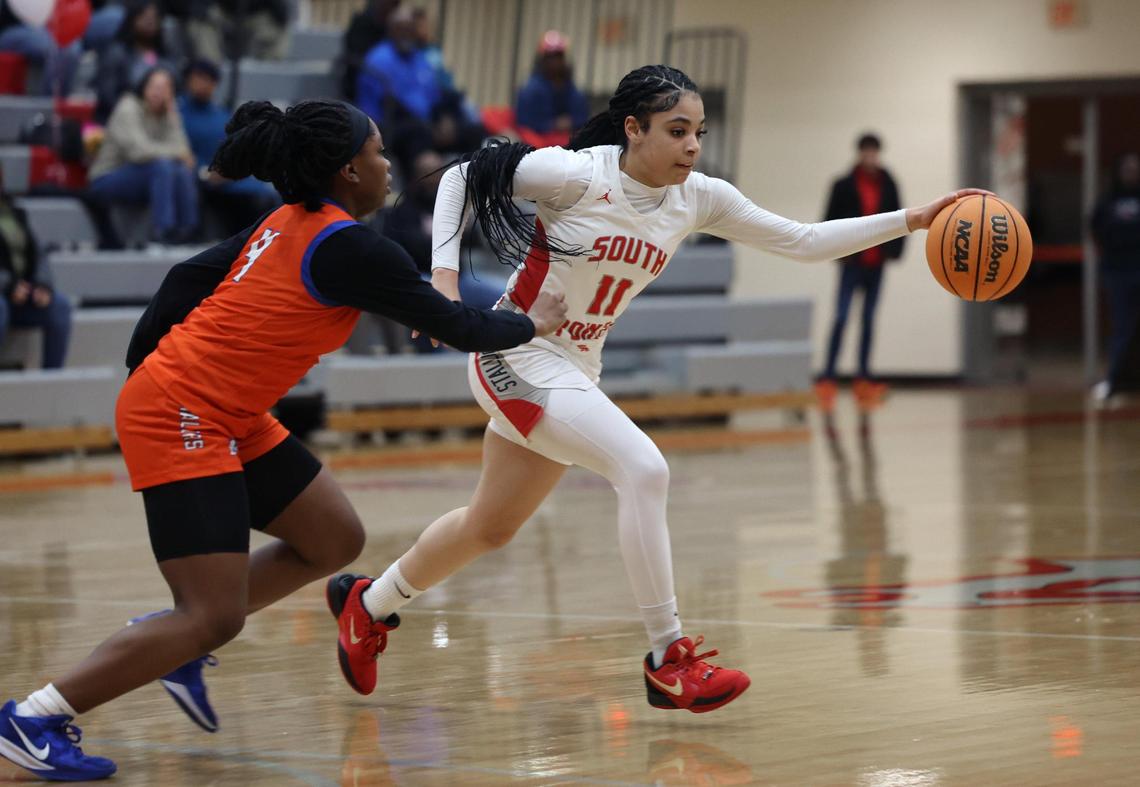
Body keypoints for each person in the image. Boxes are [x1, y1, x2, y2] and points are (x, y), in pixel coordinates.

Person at [324, 65, 987, 713]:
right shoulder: (578, 175)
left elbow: (805, 241)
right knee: (644, 468)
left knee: (489, 526)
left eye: (698, 131)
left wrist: (915, 218)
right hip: (516, 350)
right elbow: (463, 177)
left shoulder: (700, 197)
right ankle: (669, 659)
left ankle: (369, 604)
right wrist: (442, 281)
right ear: (633, 129)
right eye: (677, 130)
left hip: (576, 366)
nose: (693, 146)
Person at [0, 98, 566, 781]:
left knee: (332, 539)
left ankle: (175, 637)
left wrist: (146, 367)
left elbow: (184, 279)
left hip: (222, 411)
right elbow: (460, 327)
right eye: (378, 151)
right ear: (346, 169)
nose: (386, 163)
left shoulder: (288, 222)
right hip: (185, 412)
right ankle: (33, 717)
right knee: (214, 616)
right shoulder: (351, 247)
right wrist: (532, 323)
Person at [815, 133, 905, 411]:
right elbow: (829, 219)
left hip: (876, 264)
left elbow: (899, 217)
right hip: (851, 263)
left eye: (874, 152)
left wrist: (895, 252)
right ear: (859, 154)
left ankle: (863, 379)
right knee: (842, 317)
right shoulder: (843, 185)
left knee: (868, 320)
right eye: (866, 151)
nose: (870, 156)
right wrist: (834, 251)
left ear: (878, 154)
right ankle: (828, 378)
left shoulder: (888, 184)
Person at [88, 66, 200, 245]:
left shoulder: (168, 113)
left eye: (165, 88)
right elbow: (139, 152)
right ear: (143, 87)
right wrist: (177, 154)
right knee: (163, 166)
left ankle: (188, 229)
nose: (158, 92)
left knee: (181, 170)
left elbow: (184, 152)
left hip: (145, 175)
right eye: (154, 86)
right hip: (107, 177)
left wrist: (172, 117)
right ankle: (163, 230)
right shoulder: (128, 107)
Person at [178, 58, 279, 238]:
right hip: (194, 176)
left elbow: (235, 149)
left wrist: (228, 169)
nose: (202, 83)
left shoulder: (221, 115)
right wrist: (205, 173)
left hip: (226, 176)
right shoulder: (176, 112)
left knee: (267, 195)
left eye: (208, 79)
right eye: (198, 77)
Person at [0, 163, 72, 368]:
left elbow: (38, 253)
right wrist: (9, 285)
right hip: (6, 293)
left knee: (59, 305)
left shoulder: (15, 212)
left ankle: (52, 380)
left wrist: (42, 285)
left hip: (21, 293)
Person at [1091, 151, 1140, 402]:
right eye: (1128, 168)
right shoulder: (1108, 201)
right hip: (1118, 272)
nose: (1132, 172)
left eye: (1136, 168)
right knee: (1122, 328)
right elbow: (1095, 227)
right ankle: (1113, 381)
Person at [92, 0, 183, 123]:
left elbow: (176, 90)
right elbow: (107, 95)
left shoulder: (165, 57)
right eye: (144, 17)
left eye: (154, 18)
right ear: (132, 19)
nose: (149, 22)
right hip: (122, 119)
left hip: (159, 120)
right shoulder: (117, 53)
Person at [514, 30, 589, 147]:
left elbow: (582, 118)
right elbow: (524, 122)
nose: (555, 62)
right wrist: (552, 125)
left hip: (566, 143)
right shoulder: (530, 90)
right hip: (538, 143)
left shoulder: (573, 90)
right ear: (542, 59)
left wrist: (571, 123)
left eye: (559, 56)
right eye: (551, 57)